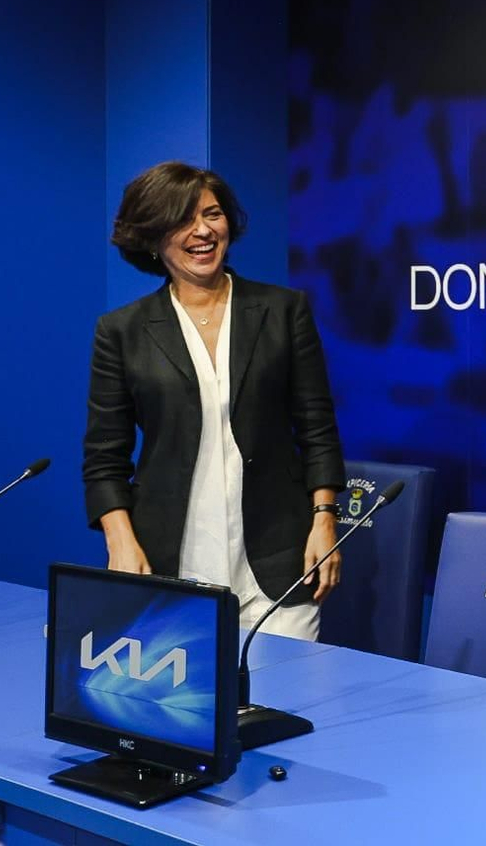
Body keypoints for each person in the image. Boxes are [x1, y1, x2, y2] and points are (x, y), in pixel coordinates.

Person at [83, 161, 347, 639]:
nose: (202, 231)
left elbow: (317, 429)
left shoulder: (284, 311)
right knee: (185, 710)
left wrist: (324, 520)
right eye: (182, 220)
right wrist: (119, 541)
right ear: (151, 236)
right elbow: (104, 458)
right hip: (169, 562)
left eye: (212, 214)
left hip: (280, 561)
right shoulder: (121, 331)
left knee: (285, 703)